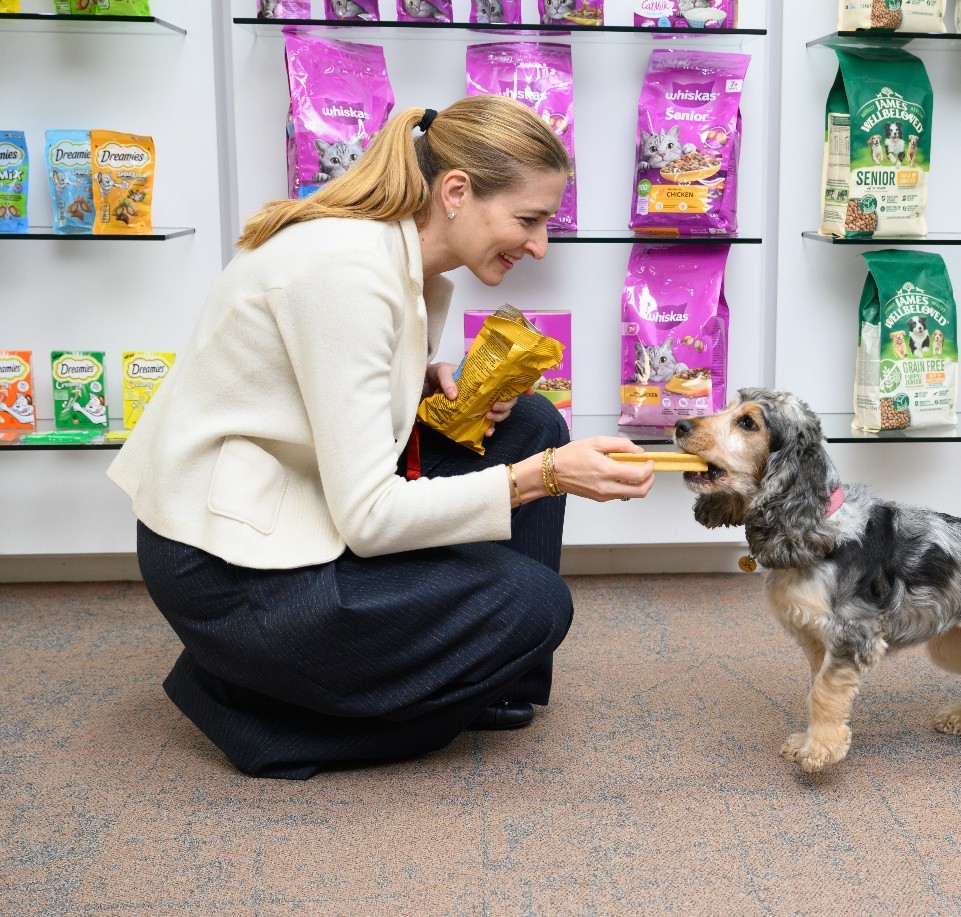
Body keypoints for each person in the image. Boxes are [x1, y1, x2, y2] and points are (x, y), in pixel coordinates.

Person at [107, 97, 656, 780]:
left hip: (295, 505)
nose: (539, 244)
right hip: (228, 569)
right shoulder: (345, 271)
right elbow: (369, 517)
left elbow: (307, 390)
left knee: (532, 423)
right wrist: (544, 475)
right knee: (538, 599)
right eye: (528, 219)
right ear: (455, 191)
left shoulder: (401, 259)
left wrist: (423, 383)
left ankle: (491, 677)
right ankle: (254, 711)